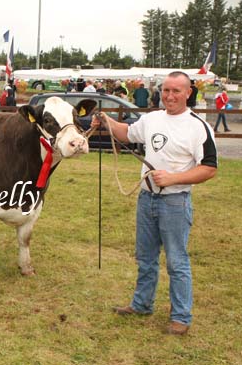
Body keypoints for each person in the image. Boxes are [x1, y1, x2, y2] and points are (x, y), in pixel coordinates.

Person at [91, 71, 217, 335]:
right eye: (166, 90)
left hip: (175, 202)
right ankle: (141, 304)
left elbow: (209, 168)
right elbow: (127, 134)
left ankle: (181, 317)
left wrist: (173, 178)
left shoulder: (198, 126)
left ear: (188, 93)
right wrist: (107, 121)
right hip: (146, 199)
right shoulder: (152, 119)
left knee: (176, 261)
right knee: (146, 258)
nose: (170, 96)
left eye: (176, 91)